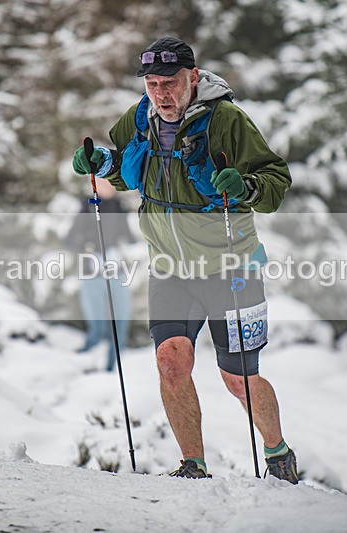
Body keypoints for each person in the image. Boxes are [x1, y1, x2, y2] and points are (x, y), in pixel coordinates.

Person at [71, 37, 298, 483]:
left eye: (170, 82)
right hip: (169, 268)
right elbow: (121, 167)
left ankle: (278, 454)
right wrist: (98, 161)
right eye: (153, 84)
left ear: (193, 77)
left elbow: (276, 180)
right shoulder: (142, 117)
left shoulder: (226, 119)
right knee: (171, 362)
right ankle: (193, 465)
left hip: (231, 267)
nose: (162, 93)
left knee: (239, 378)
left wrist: (246, 187)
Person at [64, 178, 135, 372]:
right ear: (94, 184)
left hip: (116, 271)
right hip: (92, 273)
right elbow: (70, 240)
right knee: (98, 327)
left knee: (120, 325)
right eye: (103, 182)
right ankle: (85, 368)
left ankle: (112, 369)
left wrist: (124, 249)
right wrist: (89, 251)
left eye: (111, 182)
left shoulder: (120, 207)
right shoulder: (86, 206)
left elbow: (128, 237)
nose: (108, 186)